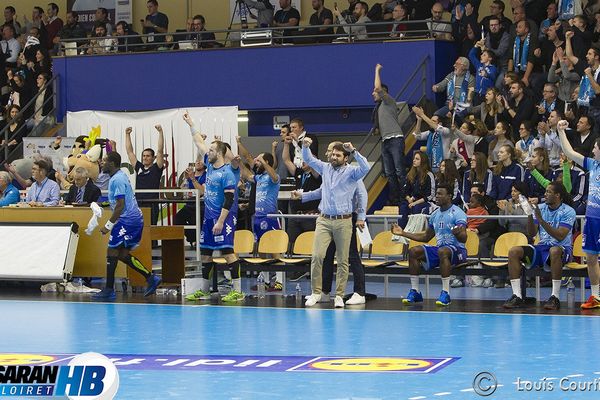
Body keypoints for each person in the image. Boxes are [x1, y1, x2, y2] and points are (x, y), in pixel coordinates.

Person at [302, 139, 370, 308]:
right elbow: (310, 160)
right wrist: (304, 146)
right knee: (317, 256)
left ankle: (339, 295)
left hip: (344, 220)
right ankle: (317, 292)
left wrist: (354, 150)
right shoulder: (325, 169)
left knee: (343, 260)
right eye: (332, 154)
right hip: (324, 219)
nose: (333, 157)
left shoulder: (353, 173)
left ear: (345, 158)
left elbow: (366, 169)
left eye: (338, 155)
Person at [92, 151, 161, 301]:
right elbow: (119, 201)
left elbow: (120, 205)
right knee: (121, 254)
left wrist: (108, 226)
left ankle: (109, 290)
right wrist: (102, 204)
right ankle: (151, 278)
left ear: (112, 163)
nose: (102, 163)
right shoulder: (119, 176)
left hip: (128, 220)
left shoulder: (117, 180)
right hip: (132, 219)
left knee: (111, 250)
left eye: (104, 161)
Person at [391, 183, 468, 307]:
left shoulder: (458, 213)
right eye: (436, 194)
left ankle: (446, 293)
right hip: (441, 250)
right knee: (413, 251)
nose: (436, 197)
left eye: (440, 194)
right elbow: (426, 237)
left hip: (458, 251)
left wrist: (458, 233)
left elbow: (463, 239)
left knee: (443, 251)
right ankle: (415, 291)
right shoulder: (435, 215)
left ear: (449, 196)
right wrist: (403, 233)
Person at [502, 181, 576, 310]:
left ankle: (555, 297)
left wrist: (541, 220)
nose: (545, 194)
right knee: (514, 251)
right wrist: (530, 214)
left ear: (558, 195)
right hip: (542, 247)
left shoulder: (568, 211)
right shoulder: (540, 208)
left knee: (554, 250)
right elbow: (532, 233)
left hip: (562, 249)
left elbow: (560, 236)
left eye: (549, 192)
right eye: (545, 191)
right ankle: (517, 296)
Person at [185, 141, 242, 303]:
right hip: (209, 219)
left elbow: (229, 199)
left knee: (228, 253)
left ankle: (237, 291)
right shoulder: (209, 168)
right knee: (206, 255)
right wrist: (191, 124)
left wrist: (221, 222)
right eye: (208, 150)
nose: (208, 152)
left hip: (224, 218)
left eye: (211, 150)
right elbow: (198, 142)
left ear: (219, 153)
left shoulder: (228, 173)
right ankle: (204, 291)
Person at [557, 119, 600, 309]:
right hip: (592, 219)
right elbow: (569, 153)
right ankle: (596, 297)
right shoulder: (593, 165)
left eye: (596, 148)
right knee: (590, 258)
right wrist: (560, 131)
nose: (593, 150)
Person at [372, 64, 405, 205]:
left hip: (395, 139)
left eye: (375, 91)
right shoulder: (378, 109)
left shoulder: (389, 102)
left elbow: (378, 88)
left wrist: (377, 70)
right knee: (389, 173)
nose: (373, 93)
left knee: (399, 171)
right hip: (385, 141)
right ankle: (394, 199)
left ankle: (404, 197)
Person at [125, 125, 164, 227]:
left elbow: (160, 150)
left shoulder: (157, 168)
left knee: (151, 229)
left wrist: (160, 132)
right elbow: (130, 152)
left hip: (152, 204)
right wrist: (127, 134)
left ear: (153, 158)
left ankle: (153, 244)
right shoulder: (139, 167)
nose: (145, 158)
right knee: (139, 229)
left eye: (148, 156)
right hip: (138, 203)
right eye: (144, 156)